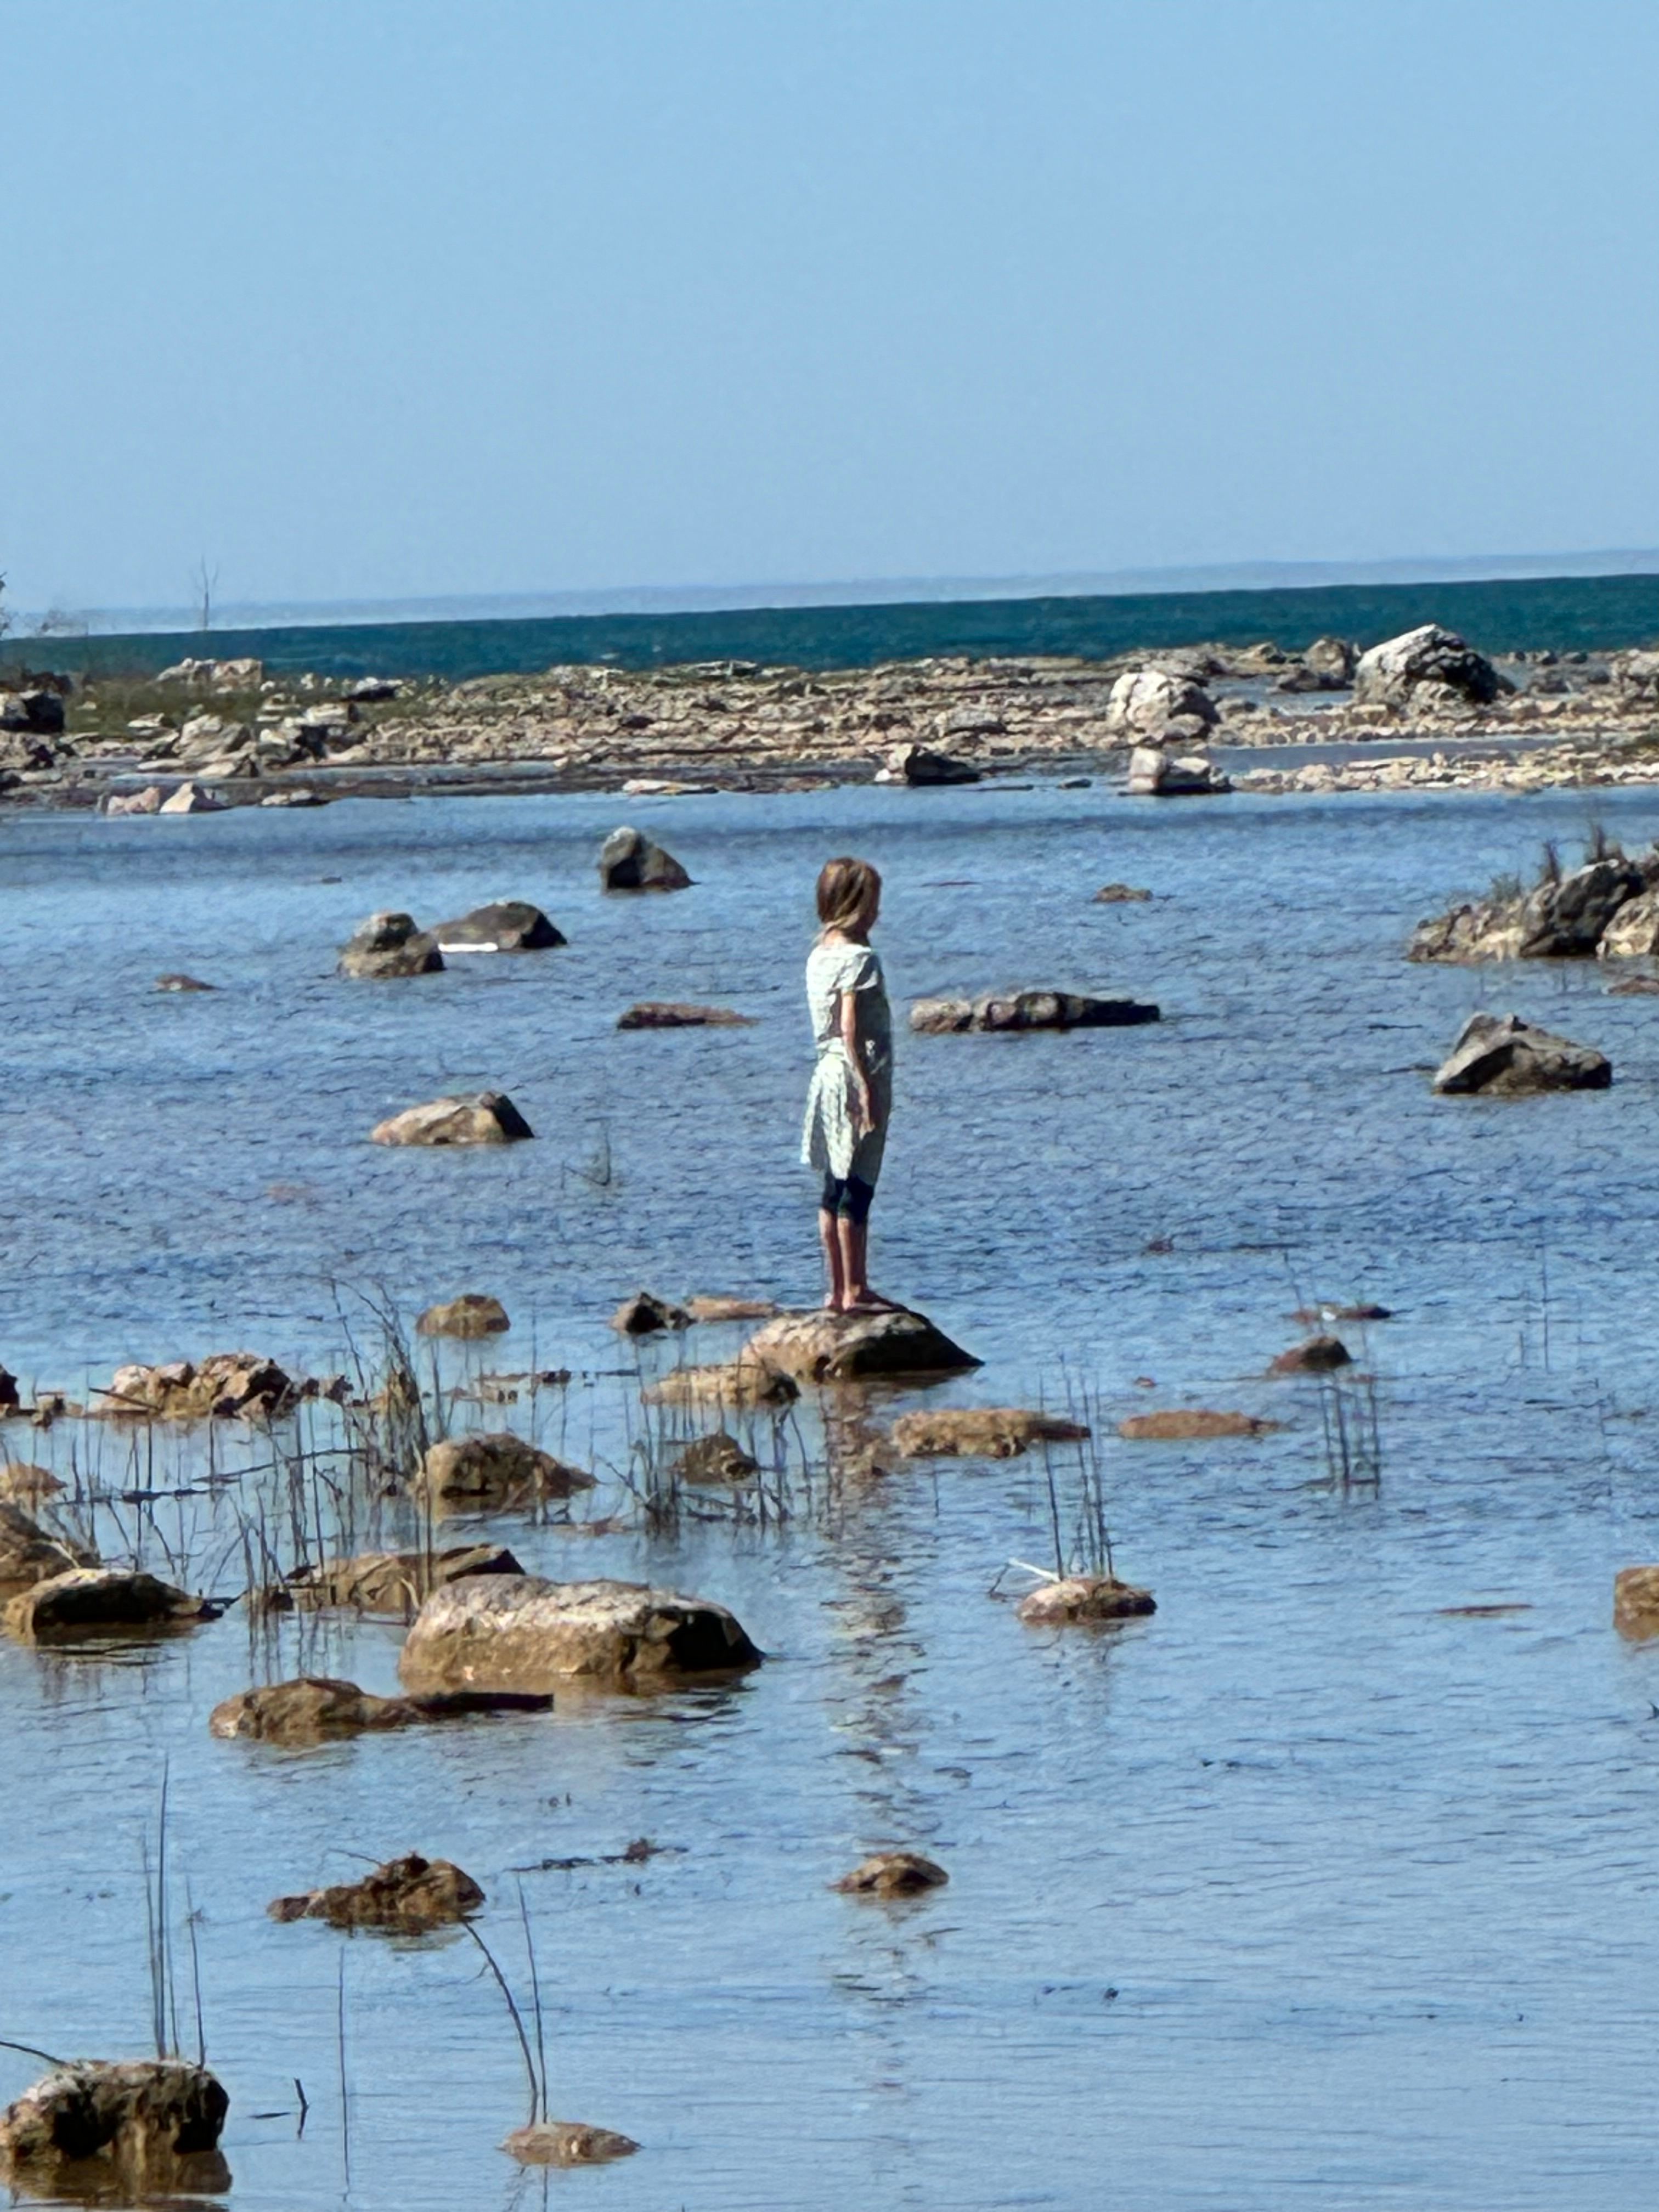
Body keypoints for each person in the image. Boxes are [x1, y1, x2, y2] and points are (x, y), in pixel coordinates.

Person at [801, 855, 896, 1313]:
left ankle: (836, 1290)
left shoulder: (818, 956)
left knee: (832, 1185)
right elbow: (850, 1027)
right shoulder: (861, 959)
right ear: (855, 905)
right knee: (858, 1184)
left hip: (825, 1076)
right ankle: (856, 1289)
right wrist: (866, 1089)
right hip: (858, 1073)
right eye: (873, 903)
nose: (878, 913)